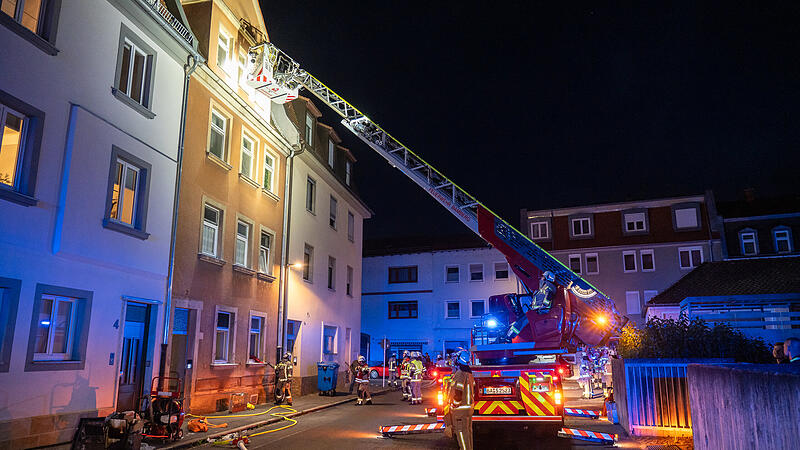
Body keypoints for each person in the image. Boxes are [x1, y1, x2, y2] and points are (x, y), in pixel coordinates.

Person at [445, 349, 474, 450]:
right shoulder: (469, 373)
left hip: (460, 411)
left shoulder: (460, 373)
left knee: (461, 434)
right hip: (467, 409)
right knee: (467, 433)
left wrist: (454, 404)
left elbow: (458, 392)